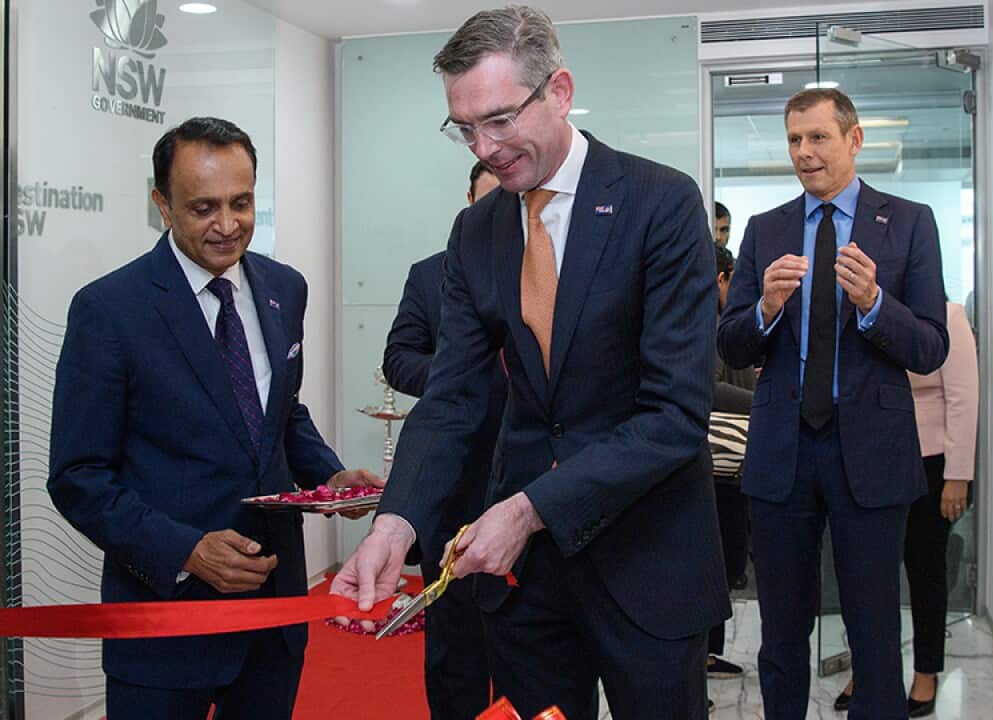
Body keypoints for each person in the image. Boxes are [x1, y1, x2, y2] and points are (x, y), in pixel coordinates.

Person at [332, 7, 730, 719]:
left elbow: (673, 416)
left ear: (560, 90)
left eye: (500, 120)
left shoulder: (659, 204)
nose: (483, 147)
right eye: (464, 127)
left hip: (646, 562)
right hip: (525, 584)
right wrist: (397, 522)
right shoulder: (476, 230)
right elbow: (451, 395)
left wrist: (529, 510)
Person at [47, 116, 381, 719]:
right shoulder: (109, 310)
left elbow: (280, 412)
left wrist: (326, 479)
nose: (227, 226)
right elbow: (78, 476)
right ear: (161, 204)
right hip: (163, 628)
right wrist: (185, 550)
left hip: (276, 616)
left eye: (242, 202)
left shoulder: (285, 288)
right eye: (203, 207)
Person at [718, 87, 949, 720]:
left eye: (817, 137)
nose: (803, 152)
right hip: (781, 454)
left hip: (870, 455)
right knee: (782, 633)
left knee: (874, 631)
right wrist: (763, 308)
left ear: (854, 139)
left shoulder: (909, 222)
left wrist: (876, 304)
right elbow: (729, 340)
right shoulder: (766, 230)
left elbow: (931, 346)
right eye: (794, 139)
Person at [380, 160, 502, 720]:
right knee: (454, 648)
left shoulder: (557, 271)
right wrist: (459, 370)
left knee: (533, 648)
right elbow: (398, 359)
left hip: (534, 484)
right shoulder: (431, 275)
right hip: (454, 485)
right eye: (487, 201)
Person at [707, 243, 752, 690]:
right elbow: (711, 388)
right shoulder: (706, 323)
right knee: (718, 561)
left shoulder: (726, 323)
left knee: (726, 560)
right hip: (717, 462)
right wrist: (764, 405)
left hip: (730, 462)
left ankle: (709, 653)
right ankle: (701, 656)